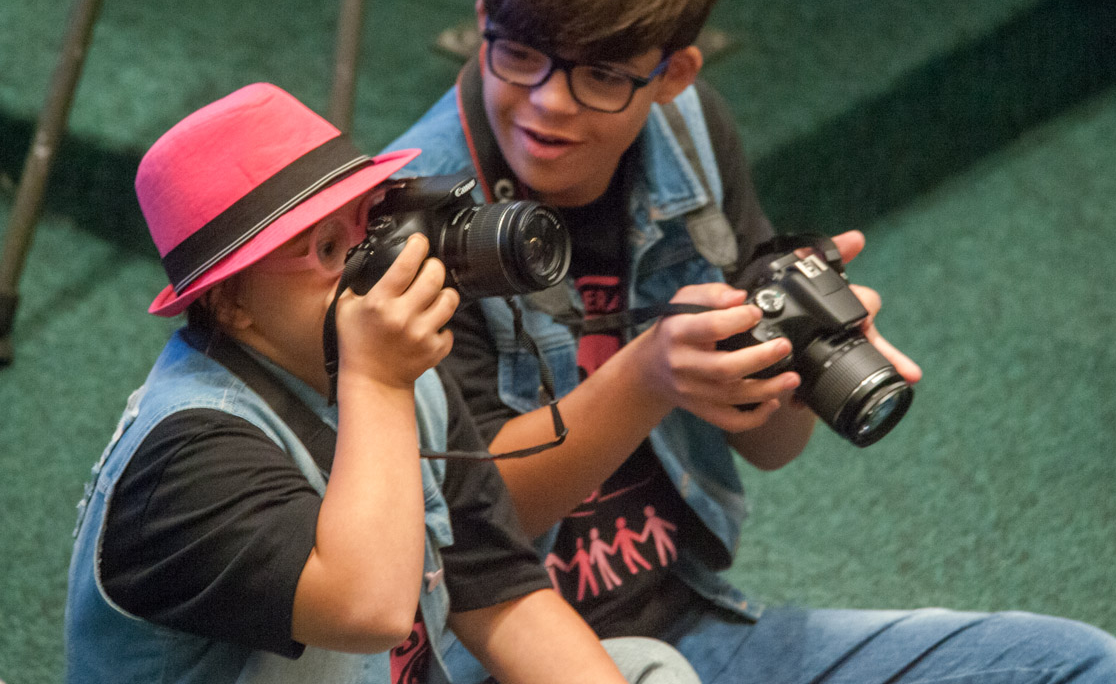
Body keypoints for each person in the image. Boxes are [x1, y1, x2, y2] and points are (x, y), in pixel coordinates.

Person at [381, 0, 1116, 682]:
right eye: (518, 53)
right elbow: (470, 534)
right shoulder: (416, 212)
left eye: (601, 76)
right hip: (504, 662)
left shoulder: (691, 134)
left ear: (674, 74)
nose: (549, 102)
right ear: (482, 23)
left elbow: (772, 447)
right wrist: (646, 378)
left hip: (691, 621)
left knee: (1080, 665)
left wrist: (797, 357)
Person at [63, 82, 702, 684]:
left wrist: (383, 379)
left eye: (372, 223)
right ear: (231, 304)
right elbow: (367, 613)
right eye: (327, 249)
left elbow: (497, 589)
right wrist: (378, 381)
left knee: (649, 668)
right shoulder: (186, 458)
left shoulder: (398, 376)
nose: (375, 263)